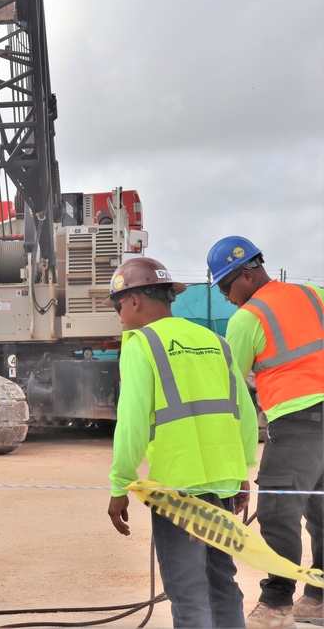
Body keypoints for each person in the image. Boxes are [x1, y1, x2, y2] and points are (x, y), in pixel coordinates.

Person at [104, 257, 258, 628]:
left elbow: (133, 423)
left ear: (134, 300)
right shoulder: (215, 342)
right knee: (223, 585)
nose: (119, 315)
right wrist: (240, 475)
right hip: (222, 486)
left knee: (188, 594)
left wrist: (120, 484)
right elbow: (245, 416)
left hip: (177, 490)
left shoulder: (141, 343)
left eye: (117, 305)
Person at [207, 236, 324, 628]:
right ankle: (319, 600)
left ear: (247, 274)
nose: (225, 297)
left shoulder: (248, 318)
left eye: (225, 286)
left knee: (277, 513)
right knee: (322, 512)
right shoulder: (314, 293)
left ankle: (276, 606)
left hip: (295, 423)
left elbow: (230, 391)